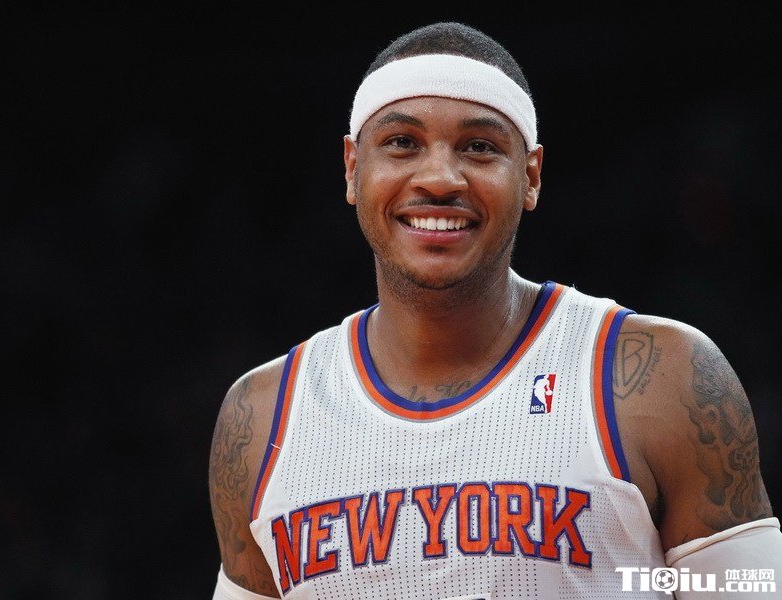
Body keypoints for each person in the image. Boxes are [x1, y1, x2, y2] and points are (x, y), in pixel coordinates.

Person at [209, 22, 781, 599]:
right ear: (352, 167)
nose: (439, 179)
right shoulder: (261, 417)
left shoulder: (659, 378)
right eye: (402, 142)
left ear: (530, 177)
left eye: (479, 147)